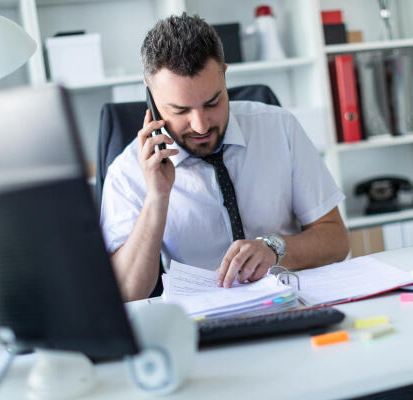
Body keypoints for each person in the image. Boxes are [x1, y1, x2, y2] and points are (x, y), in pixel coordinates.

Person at [100, 13, 349, 302]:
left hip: (292, 306)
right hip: (202, 325)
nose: (201, 125)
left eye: (213, 102)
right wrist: (156, 196)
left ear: (224, 74)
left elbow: (337, 241)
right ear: (152, 99)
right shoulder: (127, 171)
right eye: (180, 111)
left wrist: (275, 248)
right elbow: (127, 294)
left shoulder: (279, 127)